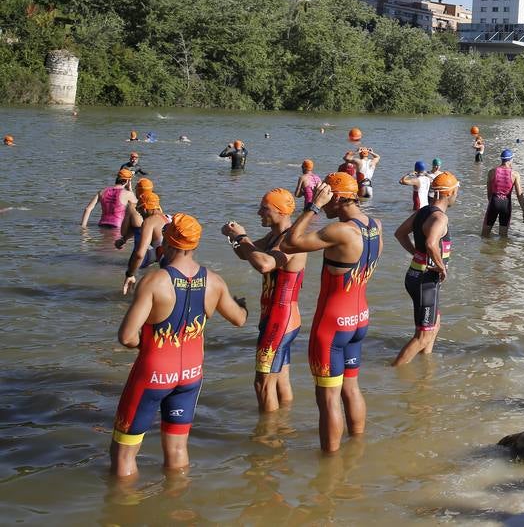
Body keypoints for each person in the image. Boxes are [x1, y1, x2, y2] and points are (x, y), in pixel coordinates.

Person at [110, 213, 247, 477]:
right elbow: (239, 319)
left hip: (154, 373)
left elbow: (127, 337)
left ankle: (122, 510)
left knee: (123, 452)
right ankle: (177, 507)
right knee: (177, 450)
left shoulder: (155, 281)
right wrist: (242, 304)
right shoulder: (214, 281)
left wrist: (146, 345)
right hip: (191, 375)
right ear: (195, 244)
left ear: (168, 241)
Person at [279, 173, 382, 453]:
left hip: (332, 325)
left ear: (337, 198)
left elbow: (289, 243)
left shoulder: (341, 232)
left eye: (325, 198)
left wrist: (310, 209)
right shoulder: (375, 225)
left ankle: (330, 466)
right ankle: (357, 448)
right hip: (359, 317)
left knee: (327, 399)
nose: (322, 205)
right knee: (351, 387)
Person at [223, 189, 307, 413]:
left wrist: (242, 237)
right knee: (279, 379)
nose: (259, 212)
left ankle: (267, 437)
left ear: (280, 212)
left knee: (262, 383)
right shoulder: (274, 236)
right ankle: (284, 425)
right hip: (279, 319)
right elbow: (247, 254)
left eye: (265, 209)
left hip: (279, 322)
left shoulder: (290, 240)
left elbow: (264, 264)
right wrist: (234, 238)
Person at [393, 172, 458, 365]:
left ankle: (425, 367)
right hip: (425, 280)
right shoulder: (440, 218)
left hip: (416, 275)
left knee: (433, 325)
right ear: (450, 193)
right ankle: (394, 371)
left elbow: (400, 234)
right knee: (423, 335)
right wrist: (441, 267)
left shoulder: (423, 212)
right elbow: (431, 243)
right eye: (456, 192)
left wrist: (416, 253)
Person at [117, 188, 167, 292]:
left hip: (169, 270)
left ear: (145, 208)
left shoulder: (149, 222)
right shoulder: (169, 218)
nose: (140, 214)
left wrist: (129, 274)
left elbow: (140, 254)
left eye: (140, 211)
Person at [480, 149, 524, 237]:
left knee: (484, 235)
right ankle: (501, 250)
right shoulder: (515, 174)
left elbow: (489, 192)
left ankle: (486, 250)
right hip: (506, 204)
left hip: (494, 201)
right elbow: (519, 194)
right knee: (503, 236)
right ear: (510, 160)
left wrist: (492, 204)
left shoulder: (492, 172)